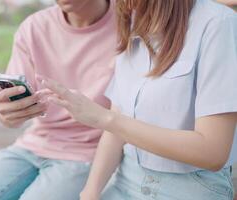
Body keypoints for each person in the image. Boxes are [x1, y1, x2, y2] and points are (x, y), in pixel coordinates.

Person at [39, 0, 237, 199]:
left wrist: (104, 118)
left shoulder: (218, 23)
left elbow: (213, 153)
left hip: (189, 187)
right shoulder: (134, 21)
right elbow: (116, 123)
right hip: (126, 180)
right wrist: (90, 192)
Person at [0, 0, 117, 199]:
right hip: (33, 143)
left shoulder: (131, 24)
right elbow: (10, 115)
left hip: (88, 152)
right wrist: (9, 115)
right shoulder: (34, 27)